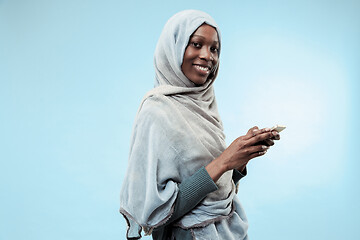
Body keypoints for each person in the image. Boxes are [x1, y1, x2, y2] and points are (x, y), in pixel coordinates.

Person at [119, 10, 280, 240]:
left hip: (227, 231)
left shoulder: (205, 104)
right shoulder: (156, 111)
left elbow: (214, 188)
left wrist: (241, 158)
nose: (208, 56)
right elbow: (162, 211)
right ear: (174, 48)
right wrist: (224, 161)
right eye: (196, 44)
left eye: (214, 49)